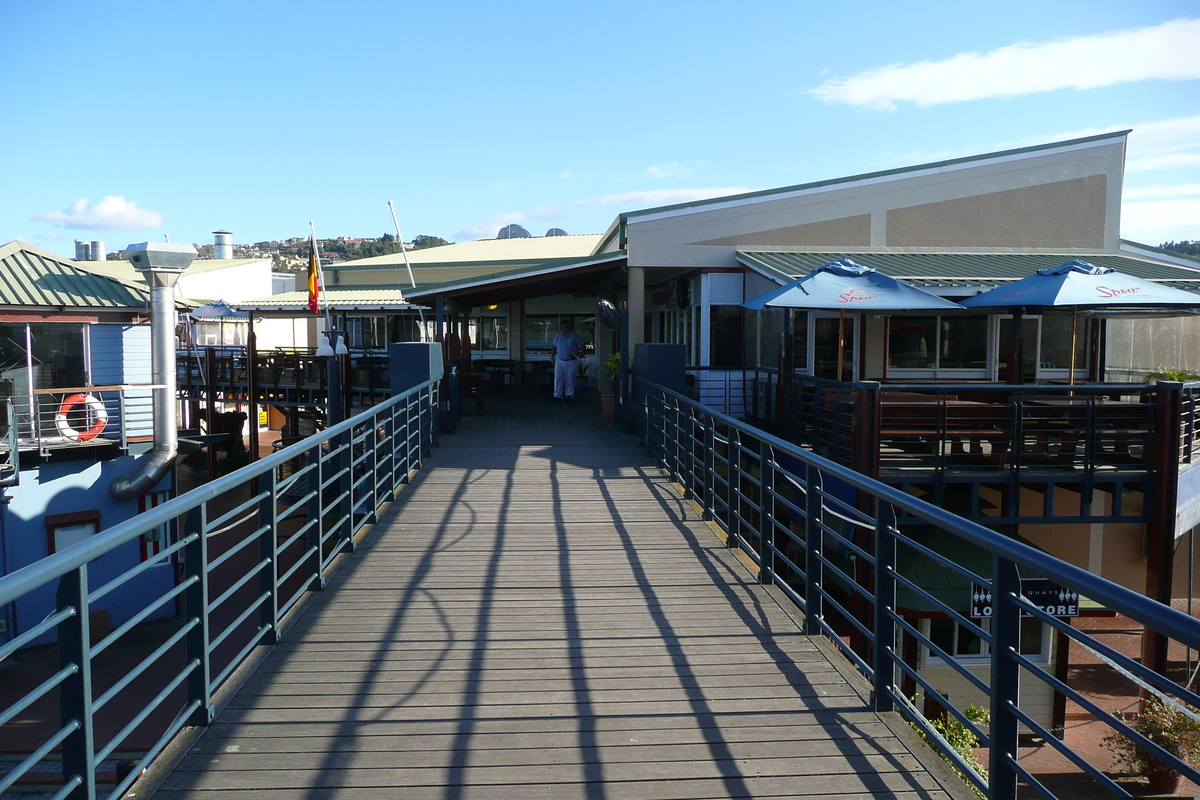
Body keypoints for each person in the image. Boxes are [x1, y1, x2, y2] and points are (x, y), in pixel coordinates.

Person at [551, 318, 584, 402]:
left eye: (567, 327)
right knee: (558, 378)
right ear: (561, 327)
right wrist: (552, 357)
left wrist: (581, 353)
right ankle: (557, 395)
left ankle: (569, 395)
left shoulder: (574, 335)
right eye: (564, 327)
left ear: (570, 327)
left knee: (570, 379)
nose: (566, 329)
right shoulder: (558, 335)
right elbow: (554, 347)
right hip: (560, 360)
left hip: (571, 360)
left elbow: (582, 345)